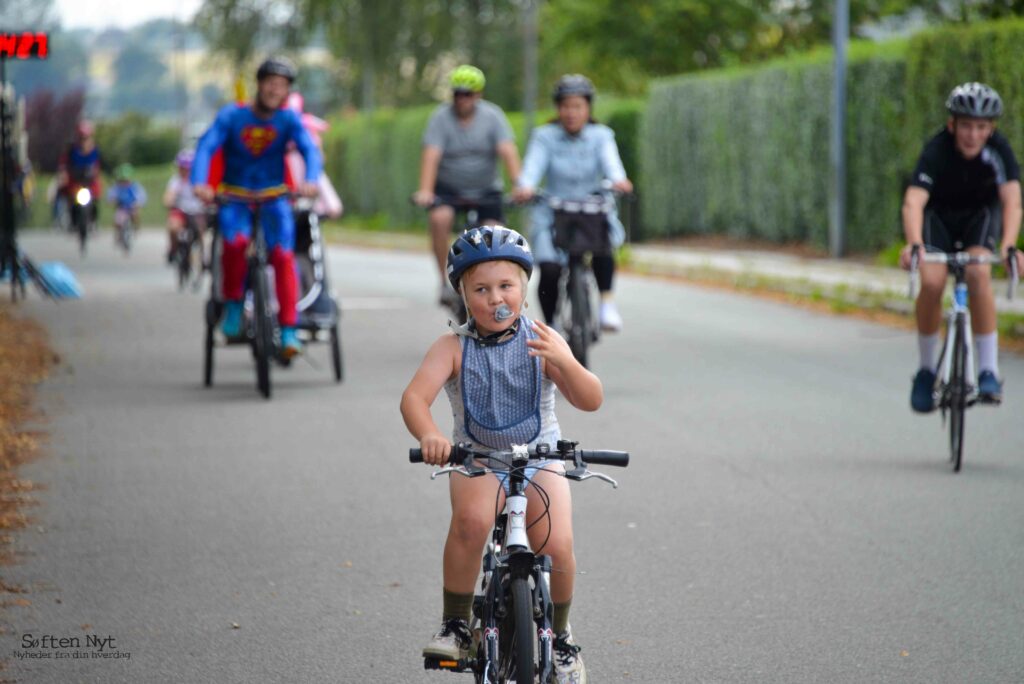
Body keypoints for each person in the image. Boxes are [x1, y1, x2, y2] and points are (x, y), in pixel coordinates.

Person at [400, 225, 603, 684]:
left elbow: (590, 399)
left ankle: (564, 637)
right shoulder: (452, 347)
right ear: (463, 295)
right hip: (477, 458)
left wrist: (566, 361)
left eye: (506, 286)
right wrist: (431, 434)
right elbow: (414, 398)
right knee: (471, 523)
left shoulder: (543, 339)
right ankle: (456, 623)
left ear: (524, 289)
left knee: (557, 541)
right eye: (482, 289)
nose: (496, 298)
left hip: (540, 453)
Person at [899, 82, 1024, 412]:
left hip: (977, 220)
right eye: (966, 126)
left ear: (991, 128)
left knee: (978, 273)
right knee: (932, 281)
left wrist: (1010, 246)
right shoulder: (937, 149)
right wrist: (914, 245)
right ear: (952, 124)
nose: (972, 134)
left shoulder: (999, 150)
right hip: (939, 220)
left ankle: (988, 371)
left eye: (981, 127)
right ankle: (926, 371)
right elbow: (914, 202)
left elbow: (1012, 201)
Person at [191, 56, 321, 358]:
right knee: (234, 245)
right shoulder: (232, 116)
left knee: (283, 255)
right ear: (259, 84)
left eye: (282, 86)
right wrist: (200, 182)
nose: (276, 90)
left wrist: (311, 179)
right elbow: (207, 145)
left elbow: (309, 149)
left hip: (275, 198)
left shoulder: (288, 119)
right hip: (235, 198)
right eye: (271, 83)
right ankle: (234, 306)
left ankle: (289, 330)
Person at [514, 74, 633, 332]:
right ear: (558, 108)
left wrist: (619, 181)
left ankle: (606, 304)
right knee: (549, 269)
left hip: (592, 209)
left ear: (588, 108)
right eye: (566, 106)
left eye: (577, 106)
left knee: (603, 247)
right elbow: (532, 167)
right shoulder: (545, 136)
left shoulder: (601, 135)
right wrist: (525, 187)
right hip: (554, 212)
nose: (571, 113)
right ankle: (551, 326)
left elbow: (612, 165)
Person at [412, 65, 521, 309]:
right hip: (449, 189)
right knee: (439, 219)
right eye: (457, 94)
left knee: (495, 233)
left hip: (486, 190)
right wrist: (425, 191)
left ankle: (492, 286)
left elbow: (507, 151)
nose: (462, 100)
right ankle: (443, 281)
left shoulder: (493, 116)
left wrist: (519, 186)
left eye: (468, 94)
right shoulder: (440, 118)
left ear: (478, 95)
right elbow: (431, 155)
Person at [57, 120, 103, 229]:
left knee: (95, 196)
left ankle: (94, 220)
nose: (84, 140)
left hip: (89, 180)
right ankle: (71, 220)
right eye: (82, 138)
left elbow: (100, 164)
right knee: (70, 196)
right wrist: (64, 173)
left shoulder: (95, 150)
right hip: (76, 179)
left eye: (86, 137)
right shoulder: (72, 149)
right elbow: (64, 163)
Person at [164, 149, 205, 263]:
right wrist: (169, 201)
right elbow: (169, 195)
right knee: (173, 227)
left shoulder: (200, 179)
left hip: (197, 211)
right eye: (182, 168)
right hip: (180, 210)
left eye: (188, 169)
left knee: (202, 230)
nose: (185, 171)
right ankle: (173, 248)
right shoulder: (175, 181)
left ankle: (203, 257)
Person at [107, 163, 146, 236]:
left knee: (135, 214)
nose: (124, 182)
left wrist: (138, 203)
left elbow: (141, 196)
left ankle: (136, 227)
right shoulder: (117, 187)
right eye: (122, 180)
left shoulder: (135, 186)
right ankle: (118, 233)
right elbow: (111, 196)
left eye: (126, 180)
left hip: (132, 206)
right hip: (121, 207)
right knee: (117, 220)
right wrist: (112, 201)